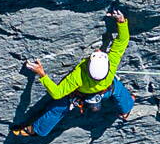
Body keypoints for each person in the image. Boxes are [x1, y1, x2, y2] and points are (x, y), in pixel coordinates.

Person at [12, 9, 137, 137]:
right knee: (116, 88)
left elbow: (57, 93)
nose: (98, 51)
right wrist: (121, 21)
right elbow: (122, 41)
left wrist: (42, 74)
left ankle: (37, 130)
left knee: (60, 107)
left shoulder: (78, 76)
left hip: (82, 96)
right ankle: (126, 108)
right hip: (106, 91)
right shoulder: (112, 63)